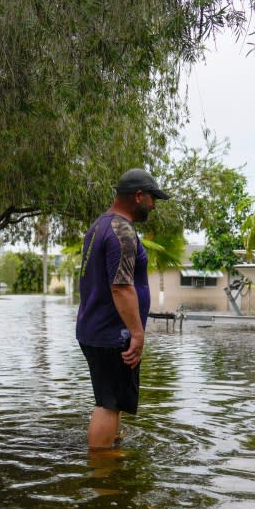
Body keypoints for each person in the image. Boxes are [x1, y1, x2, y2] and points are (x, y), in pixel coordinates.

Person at [76, 168, 170, 450]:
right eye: (153, 199)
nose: (153, 206)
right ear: (138, 196)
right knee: (108, 404)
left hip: (96, 329)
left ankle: (113, 470)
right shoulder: (122, 231)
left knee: (111, 402)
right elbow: (121, 286)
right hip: (111, 334)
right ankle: (103, 477)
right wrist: (137, 335)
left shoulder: (99, 226)